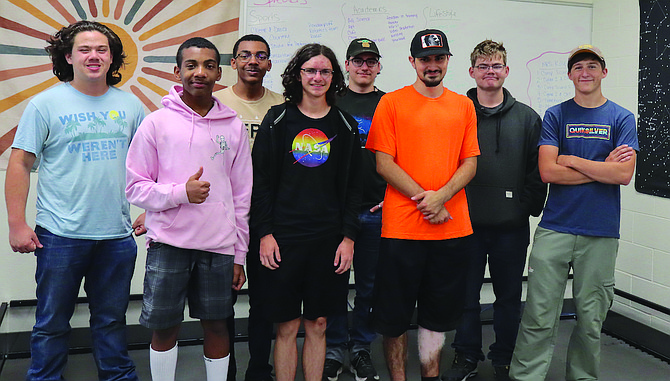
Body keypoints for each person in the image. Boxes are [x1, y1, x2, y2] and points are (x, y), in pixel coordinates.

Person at [5, 20, 144, 381]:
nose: (93, 56)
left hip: (116, 235)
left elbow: (151, 162)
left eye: (102, 49)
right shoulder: (45, 104)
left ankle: (117, 377)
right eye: (84, 49)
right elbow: (20, 162)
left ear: (113, 57)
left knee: (112, 321)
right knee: (51, 323)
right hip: (60, 236)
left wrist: (151, 211)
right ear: (69, 56)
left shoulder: (130, 105)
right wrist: (17, 224)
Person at [125, 37, 252, 381]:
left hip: (219, 246)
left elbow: (242, 195)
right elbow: (135, 187)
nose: (200, 72)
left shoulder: (233, 125)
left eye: (209, 65)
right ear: (177, 71)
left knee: (217, 325)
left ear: (219, 73)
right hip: (169, 244)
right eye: (192, 65)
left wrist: (239, 253)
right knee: (165, 328)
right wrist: (181, 193)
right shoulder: (156, 123)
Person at [509, 45, 638, 381]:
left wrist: (573, 160)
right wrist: (600, 167)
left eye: (592, 66)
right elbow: (548, 172)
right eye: (578, 67)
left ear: (604, 73)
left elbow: (623, 175)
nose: (585, 72)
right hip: (556, 227)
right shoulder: (556, 115)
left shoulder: (621, 118)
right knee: (538, 315)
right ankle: (526, 377)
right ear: (570, 75)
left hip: (601, 231)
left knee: (591, 318)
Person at [365, 29, 480, 381]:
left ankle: (431, 376)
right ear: (412, 61)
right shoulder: (391, 103)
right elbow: (383, 163)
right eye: (425, 58)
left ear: (447, 60)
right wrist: (428, 200)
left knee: (437, 316)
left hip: (450, 229)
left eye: (439, 58)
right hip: (401, 230)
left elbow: (470, 163)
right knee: (393, 315)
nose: (432, 65)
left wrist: (441, 197)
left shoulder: (463, 105)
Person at [250, 43, 361, 381]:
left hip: (328, 240)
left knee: (319, 323)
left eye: (325, 71)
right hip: (284, 238)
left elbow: (353, 187)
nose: (317, 77)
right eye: (310, 70)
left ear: (334, 76)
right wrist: (265, 234)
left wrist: (349, 238)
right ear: (297, 74)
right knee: (286, 325)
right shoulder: (277, 120)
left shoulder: (344, 124)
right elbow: (261, 182)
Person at [442, 40, 546, 381]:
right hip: (464, 224)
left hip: (510, 227)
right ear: (472, 72)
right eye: (483, 66)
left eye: (496, 65)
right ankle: (466, 355)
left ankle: (505, 357)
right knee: (466, 296)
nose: (490, 71)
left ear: (506, 71)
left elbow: (537, 169)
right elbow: (443, 164)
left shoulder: (528, 118)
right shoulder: (456, 112)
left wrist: (525, 209)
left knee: (508, 297)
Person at [213, 33, 284, 381]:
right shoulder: (215, 103)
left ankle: (259, 370)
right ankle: (225, 371)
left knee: (264, 301)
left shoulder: (283, 104)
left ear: (269, 64)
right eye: (245, 55)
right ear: (234, 63)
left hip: (268, 216)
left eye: (260, 56)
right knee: (223, 300)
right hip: (224, 216)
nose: (253, 61)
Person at [323, 37, 385, 381]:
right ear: (346, 66)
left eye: (370, 61)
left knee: (369, 287)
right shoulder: (331, 101)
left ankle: (360, 349)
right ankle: (334, 349)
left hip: (377, 211)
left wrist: (393, 195)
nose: (364, 67)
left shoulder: (390, 104)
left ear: (378, 66)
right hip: (336, 213)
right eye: (357, 61)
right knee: (333, 283)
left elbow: (404, 155)